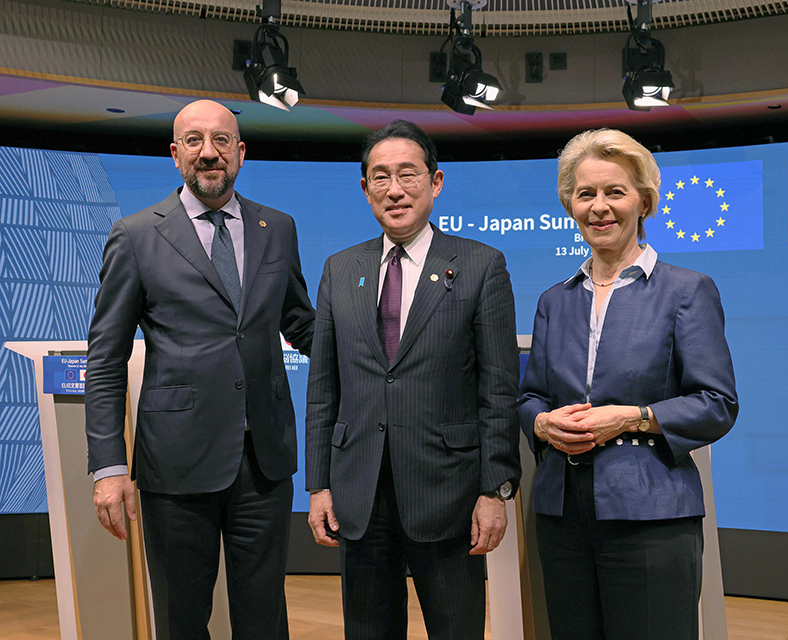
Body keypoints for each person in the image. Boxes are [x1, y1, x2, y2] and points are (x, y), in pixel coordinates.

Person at [84, 99, 314, 639]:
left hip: (264, 464)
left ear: (241, 152)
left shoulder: (277, 228)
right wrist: (108, 467)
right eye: (193, 140)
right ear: (175, 153)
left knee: (264, 622)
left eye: (220, 140)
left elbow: (302, 324)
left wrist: (373, 356)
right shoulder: (135, 235)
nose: (208, 153)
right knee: (181, 622)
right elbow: (106, 357)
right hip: (175, 465)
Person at [517, 128, 738, 640]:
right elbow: (529, 398)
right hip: (561, 514)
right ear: (570, 205)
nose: (599, 207)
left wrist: (632, 418)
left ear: (645, 202)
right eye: (585, 194)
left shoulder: (687, 290)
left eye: (614, 192)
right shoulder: (554, 300)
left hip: (652, 514)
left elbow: (717, 403)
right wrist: (543, 423)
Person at [305, 120, 521, 639]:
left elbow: (498, 390)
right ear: (366, 189)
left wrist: (495, 490)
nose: (394, 190)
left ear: (435, 181)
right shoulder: (340, 269)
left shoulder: (481, 266)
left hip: (448, 494)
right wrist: (319, 485)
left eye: (408, 174)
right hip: (360, 493)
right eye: (380, 177)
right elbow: (323, 389)